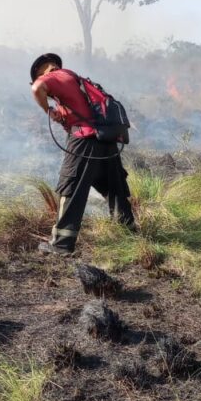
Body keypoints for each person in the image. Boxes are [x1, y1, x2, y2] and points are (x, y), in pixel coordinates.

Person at [30, 53, 135, 255]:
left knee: (71, 187)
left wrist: (48, 111)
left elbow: (37, 89)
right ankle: (128, 234)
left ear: (42, 70)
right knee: (114, 187)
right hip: (106, 140)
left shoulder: (53, 75)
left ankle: (61, 244)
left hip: (84, 141)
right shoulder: (74, 79)